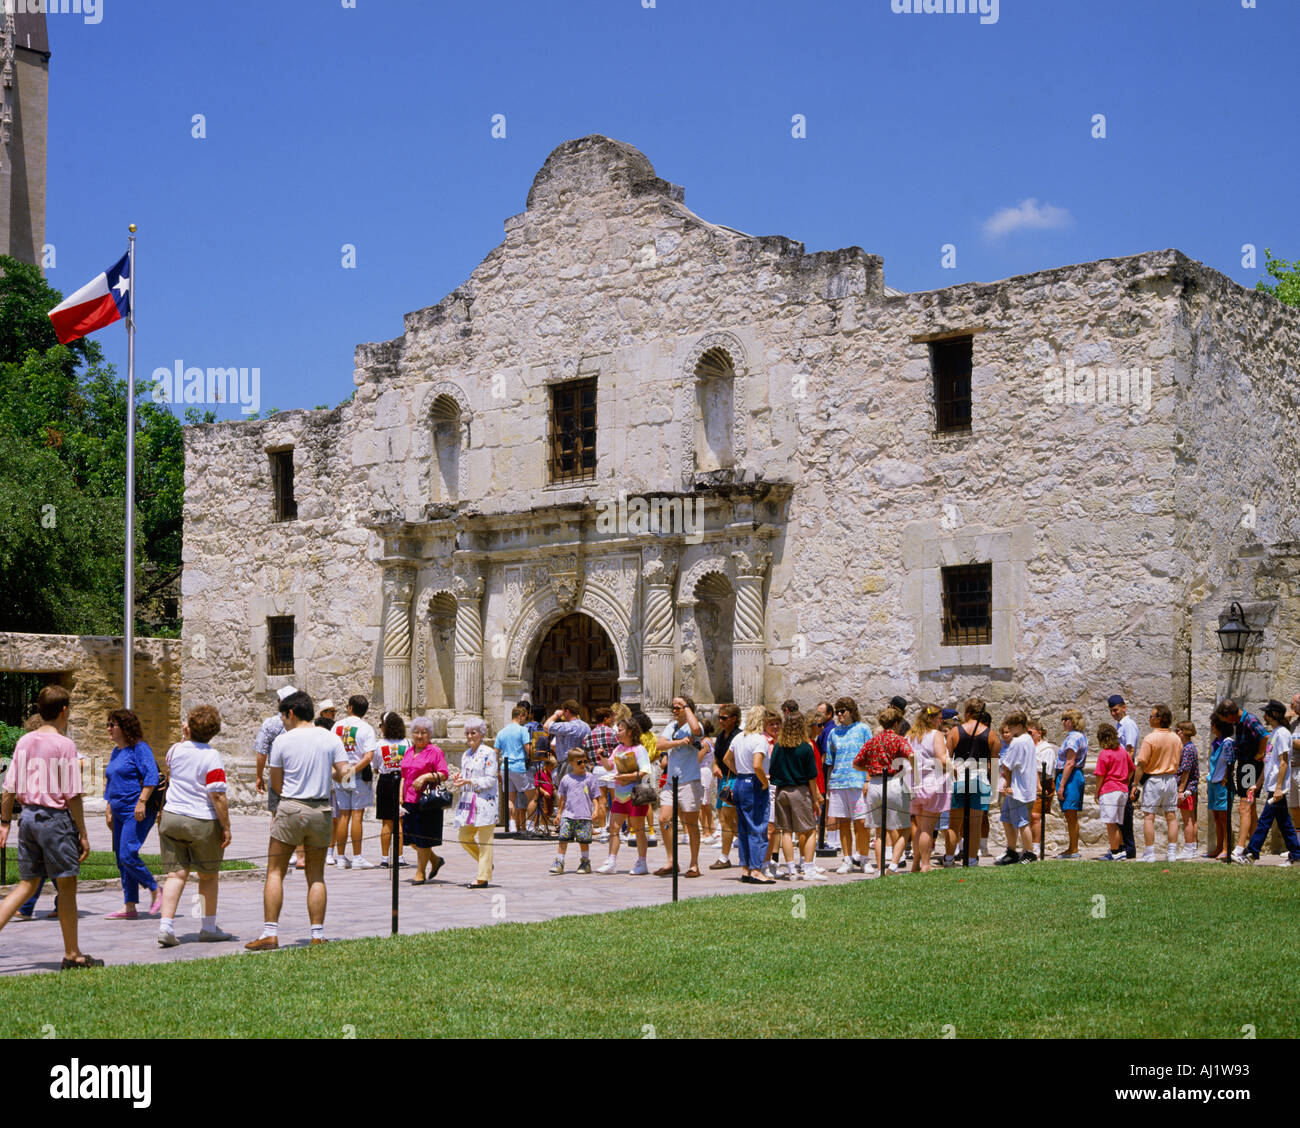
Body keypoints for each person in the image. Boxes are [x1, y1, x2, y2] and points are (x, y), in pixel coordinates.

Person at [0, 686, 102, 969]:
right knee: (67, 886)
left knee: (26, 884)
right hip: (54, 821)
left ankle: (74, 953)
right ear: (64, 711)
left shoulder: (24, 741)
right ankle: (73, 954)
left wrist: (5, 823)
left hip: (28, 818)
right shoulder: (64, 745)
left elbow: (8, 787)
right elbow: (72, 794)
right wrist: (83, 833)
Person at [246, 691, 348, 950]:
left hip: (291, 807)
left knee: (275, 871)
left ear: (290, 713)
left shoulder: (282, 741)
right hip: (321, 809)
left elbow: (276, 784)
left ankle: (270, 932)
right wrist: (331, 775)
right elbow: (345, 776)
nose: (283, 722)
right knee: (316, 875)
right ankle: (317, 933)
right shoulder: (330, 737)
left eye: (283, 716)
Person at [157, 706, 234, 946]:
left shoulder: (175, 750)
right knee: (207, 876)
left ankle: (166, 925)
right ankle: (207, 925)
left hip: (172, 815)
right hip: (201, 819)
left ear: (188, 727)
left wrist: (185, 735)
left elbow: (175, 757)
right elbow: (218, 795)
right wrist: (227, 826)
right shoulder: (212, 757)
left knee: (176, 874)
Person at [103, 708, 162, 918]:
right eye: (107, 725)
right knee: (121, 858)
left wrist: (142, 802)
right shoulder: (116, 752)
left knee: (128, 854)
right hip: (118, 812)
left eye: (112, 725)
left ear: (124, 727)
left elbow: (152, 776)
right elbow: (111, 782)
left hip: (135, 812)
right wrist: (109, 808)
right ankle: (129, 906)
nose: (108, 729)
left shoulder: (140, 748)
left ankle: (155, 889)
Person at [1235, 700, 1300, 866]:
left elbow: (1284, 761)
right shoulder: (1274, 733)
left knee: (1264, 821)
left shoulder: (1283, 734)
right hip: (1272, 785)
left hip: (1277, 788)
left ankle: (1251, 853)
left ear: (1273, 715)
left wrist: (1279, 787)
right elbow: (1269, 762)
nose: (1263, 715)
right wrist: (1257, 783)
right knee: (1285, 823)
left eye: (1266, 712)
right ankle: (1297, 854)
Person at [855, 706, 910, 874]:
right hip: (893, 781)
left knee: (879, 831)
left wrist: (872, 769)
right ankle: (893, 865)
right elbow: (912, 755)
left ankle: (879, 869)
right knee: (904, 828)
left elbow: (856, 763)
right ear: (896, 723)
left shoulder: (873, 741)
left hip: (875, 784)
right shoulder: (899, 739)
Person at [769, 711, 822, 880]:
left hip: (781, 791)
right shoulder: (805, 747)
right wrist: (816, 798)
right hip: (800, 790)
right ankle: (809, 869)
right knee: (810, 830)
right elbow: (811, 776)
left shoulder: (778, 746)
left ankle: (791, 869)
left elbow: (772, 770)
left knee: (786, 831)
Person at [656, 696, 705, 878]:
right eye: (673, 707)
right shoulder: (671, 727)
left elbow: (696, 730)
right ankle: (671, 861)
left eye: (679, 707)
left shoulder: (694, 724)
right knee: (664, 819)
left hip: (689, 780)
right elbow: (659, 744)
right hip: (671, 782)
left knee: (690, 824)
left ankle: (694, 864)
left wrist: (687, 708)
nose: (675, 711)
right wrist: (679, 742)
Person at [727, 706, 776, 884]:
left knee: (744, 827)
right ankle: (756, 869)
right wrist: (763, 781)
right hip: (754, 783)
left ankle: (746, 867)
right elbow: (757, 765)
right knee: (758, 827)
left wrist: (739, 772)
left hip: (740, 781)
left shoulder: (739, 737)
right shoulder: (759, 740)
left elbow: (727, 759)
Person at [945, 697, 996, 867]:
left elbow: (947, 757)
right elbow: (993, 765)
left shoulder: (955, 732)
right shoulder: (991, 735)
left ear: (967, 713)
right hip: (980, 780)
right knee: (975, 824)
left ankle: (949, 858)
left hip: (959, 779)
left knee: (954, 823)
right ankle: (972, 859)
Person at [824, 697, 872, 874]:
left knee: (861, 822)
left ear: (851, 711)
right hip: (839, 782)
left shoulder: (863, 729)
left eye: (842, 711)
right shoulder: (833, 733)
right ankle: (847, 858)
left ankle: (864, 858)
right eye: (837, 711)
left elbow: (870, 757)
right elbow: (830, 760)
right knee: (843, 822)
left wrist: (868, 779)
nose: (839, 715)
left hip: (858, 782)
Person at [597, 717, 652, 875]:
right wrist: (602, 756)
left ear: (630, 731)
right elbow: (609, 767)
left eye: (620, 730)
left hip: (635, 795)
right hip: (620, 795)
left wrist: (625, 777)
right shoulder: (618, 748)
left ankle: (642, 862)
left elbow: (645, 771)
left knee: (638, 829)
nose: (618, 733)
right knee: (614, 828)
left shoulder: (639, 749)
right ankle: (611, 861)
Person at [1216, 698, 1268, 862]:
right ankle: (1254, 847)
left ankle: (1239, 848)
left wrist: (1260, 754)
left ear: (1229, 715)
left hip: (1250, 768)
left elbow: (1265, 737)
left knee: (1244, 807)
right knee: (1250, 810)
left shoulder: (1250, 720)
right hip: (1244, 766)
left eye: (1224, 718)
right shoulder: (1239, 723)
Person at [1131, 704, 1183, 864]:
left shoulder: (1150, 738)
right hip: (1171, 778)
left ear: (1158, 719)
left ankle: (1150, 852)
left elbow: (1141, 764)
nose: (1149, 719)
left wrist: (1134, 784)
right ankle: (1172, 852)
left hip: (1154, 779)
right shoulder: (1176, 738)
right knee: (1171, 816)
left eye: (1151, 716)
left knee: (1149, 816)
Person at [450, 717, 498, 888]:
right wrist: (459, 778)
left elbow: (490, 780)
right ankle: (485, 865)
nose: (470, 736)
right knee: (464, 836)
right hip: (469, 803)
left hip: (486, 803)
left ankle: (482, 877)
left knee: (485, 842)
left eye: (473, 732)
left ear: (481, 734)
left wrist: (470, 782)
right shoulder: (466, 754)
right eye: (467, 733)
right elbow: (466, 775)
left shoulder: (489, 752)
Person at [401, 717, 450, 884]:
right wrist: (400, 796)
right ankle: (435, 860)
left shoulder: (435, 751)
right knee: (410, 839)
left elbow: (443, 774)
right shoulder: (409, 751)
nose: (419, 736)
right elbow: (404, 775)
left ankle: (420, 873)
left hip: (426, 802)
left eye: (423, 733)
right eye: (416, 732)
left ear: (429, 735)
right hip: (409, 799)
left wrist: (425, 777)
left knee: (422, 838)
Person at [331, 695, 377, 869]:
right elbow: (368, 756)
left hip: (340, 772)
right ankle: (357, 857)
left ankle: (341, 857)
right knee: (357, 815)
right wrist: (353, 770)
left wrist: (337, 771)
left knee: (344, 814)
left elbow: (329, 749)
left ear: (350, 707)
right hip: (356, 773)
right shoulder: (366, 728)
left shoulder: (337, 726)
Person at [906, 704, 950, 873]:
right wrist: (954, 768)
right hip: (932, 784)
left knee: (918, 827)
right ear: (932, 718)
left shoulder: (910, 735)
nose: (940, 722)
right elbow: (942, 759)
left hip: (913, 784)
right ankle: (925, 864)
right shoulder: (935, 735)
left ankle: (916, 864)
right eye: (939, 718)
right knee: (927, 828)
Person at [550, 747, 602, 874]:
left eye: (585, 761)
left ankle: (585, 862)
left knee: (583, 840)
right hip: (568, 815)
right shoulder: (566, 779)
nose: (583, 764)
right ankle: (559, 861)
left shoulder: (589, 778)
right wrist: (559, 813)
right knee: (563, 839)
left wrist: (596, 810)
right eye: (579, 762)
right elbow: (562, 798)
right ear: (571, 763)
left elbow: (595, 796)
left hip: (584, 815)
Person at [995, 712, 1038, 864]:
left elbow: (1007, 765)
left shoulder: (1018, 742)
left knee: (1022, 821)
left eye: (1012, 727)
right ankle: (1011, 850)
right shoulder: (1028, 740)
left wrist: (1007, 783)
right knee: (1006, 818)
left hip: (1018, 789)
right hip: (1023, 787)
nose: (1010, 729)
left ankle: (1029, 853)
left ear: (1019, 726)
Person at [1092, 723, 1134, 861]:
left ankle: (1115, 851)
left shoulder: (1104, 754)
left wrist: (1096, 792)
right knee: (1117, 822)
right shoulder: (1122, 751)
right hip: (1122, 790)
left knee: (1110, 823)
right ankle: (1121, 850)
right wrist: (1126, 781)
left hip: (1109, 790)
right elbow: (1132, 768)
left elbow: (1100, 775)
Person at [374, 712, 410, 867]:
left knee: (386, 822)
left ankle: (384, 858)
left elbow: (375, 767)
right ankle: (400, 857)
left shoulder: (380, 744)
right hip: (401, 781)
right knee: (399, 820)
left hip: (386, 780)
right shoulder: (407, 743)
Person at [709, 703, 742, 869]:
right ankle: (748, 841)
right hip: (723, 781)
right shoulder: (721, 736)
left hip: (734, 780)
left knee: (728, 819)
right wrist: (715, 766)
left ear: (734, 719)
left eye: (724, 718)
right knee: (723, 819)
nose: (720, 721)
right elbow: (716, 757)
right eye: (719, 718)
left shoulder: (738, 736)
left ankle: (724, 857)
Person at [1107, 695, 1139, 858]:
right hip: (1119, 772)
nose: (1113, 713)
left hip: (1125, 772)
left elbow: (1130, 750)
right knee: (1119, 811)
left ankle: (1129, 847)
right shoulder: (1119, 725)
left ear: (1124, 708)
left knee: (1125, 812)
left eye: (1116, 710)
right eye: (1111, 711)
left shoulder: (1128, 725)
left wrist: (1126, 773)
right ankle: (1121, 846)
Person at [1054, 709, 1088, 859]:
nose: (1063, 722)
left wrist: (1062, 785)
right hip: (1075, 775)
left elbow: (1069, 762)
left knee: (1071, 814)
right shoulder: (1080, 736)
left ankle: (1073, 848)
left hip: (1070, 776)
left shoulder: (1073, 738)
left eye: (1066, 719)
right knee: (1070, 814)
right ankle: (1072, 847)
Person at [497, 703, 535, 836]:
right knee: (532, 796)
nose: (525, 721)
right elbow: (528, 748)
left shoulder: (502, 731)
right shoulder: (522, 730)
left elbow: (495, 752)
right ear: (520, 716)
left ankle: (512, 826)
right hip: (519, 766)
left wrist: (496, 770)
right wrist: (534, 756)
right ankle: (530, 826)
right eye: (525, 718)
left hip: (505, 768)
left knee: (510, 798)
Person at [543, 700, 591, 789]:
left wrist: (556, 714)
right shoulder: (586, 726)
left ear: (567, 711)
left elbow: (546, 726)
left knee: (567, 793)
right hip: (583, 762)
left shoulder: (567, 726)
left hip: (568, 764)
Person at [1205, 714, 1234, 859]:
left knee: (1224, 817)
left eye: (1213, 724)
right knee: (1216, 817)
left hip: (1222, 783)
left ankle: (1226, 848)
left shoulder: (1228, 742)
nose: (1211, 727)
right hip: (1213, 782)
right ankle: (1218, 846)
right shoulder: (1215, 742)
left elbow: (1230, 761)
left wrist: (1226, 778)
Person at [1027, 719, 1056, 853]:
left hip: (1041, 784)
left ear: (1039, 733)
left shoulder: (1046, 749)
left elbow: (1046, 771)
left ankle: (1036, 846)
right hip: (1027, 782)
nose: (1028, 735)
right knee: (1026, 816)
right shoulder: (1028, 747)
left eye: (1030, 732)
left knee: (1035, 816)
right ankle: (1027, 844)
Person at [1174, 720, 1199, 860]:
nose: (1177, 733)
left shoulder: (1188, 749)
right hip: (1190, 788)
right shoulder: (1189, 747)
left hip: (1186, 788)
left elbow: (1186, 771)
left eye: (1179, 730)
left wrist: (1180, 790)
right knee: (1191, 818)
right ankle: (1193, 847)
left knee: (1187, 819)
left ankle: (1188, 847)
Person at [698, 717, 718, 844]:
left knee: (702, 804)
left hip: (703, 771)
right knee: (705, 804)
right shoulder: (709, 741)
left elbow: (697, 758)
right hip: (706, 771)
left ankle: (706, 831)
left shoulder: (704, 743)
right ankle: (711, 829)